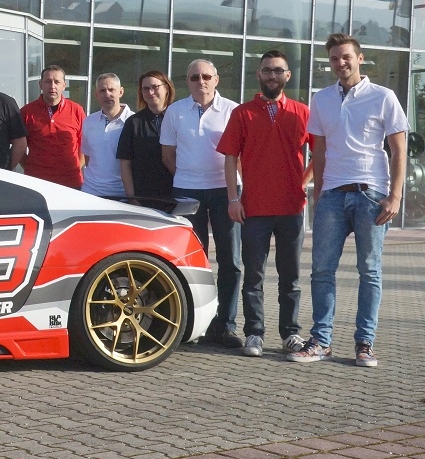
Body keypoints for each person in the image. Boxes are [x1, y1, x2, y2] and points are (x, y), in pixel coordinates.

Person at [289, 33, 408, 368]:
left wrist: (395, 195)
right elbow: (319, 150)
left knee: (369, 271)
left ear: (360, 58)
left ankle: (365, 343)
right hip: (332, 195)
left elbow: (399, 150)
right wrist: (320, 193)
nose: (340, 63)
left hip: (372, 195)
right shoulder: (322, 99)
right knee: (321, 271)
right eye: (334, 59)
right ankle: (321, 341)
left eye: (346, 57)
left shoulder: (383, 97)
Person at [217, 50, 311, 357]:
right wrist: (233, 197)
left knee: (290, 278)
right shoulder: (242, 113)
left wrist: (303, 182)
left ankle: (290, 334)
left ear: (288, 75)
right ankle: (254, 333)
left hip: (292, 209)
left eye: (278, 70)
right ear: (258, 74)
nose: (272, 75)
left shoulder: (301, 112)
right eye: (267, 70)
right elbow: (230, 157)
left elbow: (321, 152)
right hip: (254, 208)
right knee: (253, 277)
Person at [160, 59, 242, 349]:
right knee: (192, 260)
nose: (201, 81)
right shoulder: (175, 111)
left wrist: (236, 193)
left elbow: (240, 156)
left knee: (230, 260)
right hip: (187, 191)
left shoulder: (232, 110)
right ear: (187, 81)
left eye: (207, 76)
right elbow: (168, 155)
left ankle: (226, 325)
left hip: (225, 190)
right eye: (195, 77)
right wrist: (188, 176)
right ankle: (195, 325)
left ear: (216, 80)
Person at [20, 65, 85, 188]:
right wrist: (30, 167)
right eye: (48, 81)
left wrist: (75, 167)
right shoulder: (26, 112)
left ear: (64, 85)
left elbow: (85, 146)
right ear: (40, 84)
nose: (52, 86)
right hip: (36, 182)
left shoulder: (77, 110)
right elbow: (18, 146)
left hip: (70, 182)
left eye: (57, 82)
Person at [116, 71, 174, 201]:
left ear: (166, 88)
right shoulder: (133, 122)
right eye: (146, 89)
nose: (150, 92)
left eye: (155, 87)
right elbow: (125, 163)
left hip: (177, 194)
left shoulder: (180, 118)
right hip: (144, 197)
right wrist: (132, 198)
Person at [80, 73, 134, 198]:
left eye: (111, 89)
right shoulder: (89, 122)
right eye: (102, 90)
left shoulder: (134, 122)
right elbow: (88, 157)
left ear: (121, 92)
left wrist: (131, 196)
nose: (107, 94)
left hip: (122, 195)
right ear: (96, 94)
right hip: (90, 192)